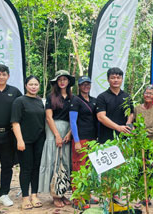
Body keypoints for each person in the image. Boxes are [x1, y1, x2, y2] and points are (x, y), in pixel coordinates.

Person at [0, 64, 22, 210]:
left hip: (9, 134)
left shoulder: (14, 92)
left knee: (7, 165)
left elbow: (22, 110)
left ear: (8, 76)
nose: (1, 76)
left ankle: (4, 194)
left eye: (4, 74)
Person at [96, 67, 133, 204]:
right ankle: (106, 195)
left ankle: (116, 195)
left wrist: (128, 124)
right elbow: (101, 117)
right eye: (113, 77)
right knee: (107, 168)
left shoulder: (127, 96)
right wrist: (118, 127)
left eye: (118, 77)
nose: (115, 80)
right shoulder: (102, 97)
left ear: (122, 79)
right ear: (108, 79)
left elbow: (131, 113)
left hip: (123, 139)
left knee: (119, 167)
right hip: (107, 138)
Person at [38, 70, 74, 208]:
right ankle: (55, 195)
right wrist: (57, 135)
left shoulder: (72, 98)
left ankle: (62, 192)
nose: (63, 81)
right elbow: (48, 117)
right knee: (53, 159)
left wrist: (70, 133)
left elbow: (75, 117)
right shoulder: (51, 97)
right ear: (56, 82)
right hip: (54, 129)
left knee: (64, 161)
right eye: (60, 79)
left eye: (65, 79)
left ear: (68, 81)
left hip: (68, 130)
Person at [128, 85, 153, 212]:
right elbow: (133, 123)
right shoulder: (137, 108)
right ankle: (144, 198)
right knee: (141, 170)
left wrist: (142, 132)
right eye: (146, 93)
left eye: (151, 94)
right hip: (140, 144)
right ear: (143, 95)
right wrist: (135, 131)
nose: (148, 95)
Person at [11, 75, 45, 210]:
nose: (33, 87)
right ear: (26, 85)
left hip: (39, 140)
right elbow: (15, 122)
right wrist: (20, 140)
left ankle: (34, 195)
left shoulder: (39, 101)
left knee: (36, 168)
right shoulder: (19, 101)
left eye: (36, 84)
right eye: (31, 84)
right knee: (26, 169)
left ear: (39, 86)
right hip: (25, 141)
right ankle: (25, 197)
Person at [69, 76, 98, 210]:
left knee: (88, 168)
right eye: (83, 84)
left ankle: (86, 195)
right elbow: (73, 122)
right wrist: (76, 141)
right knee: (78, 168)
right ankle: (77, 199)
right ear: (79, 86)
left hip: (92, 139)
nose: (86, 86)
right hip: (81, 138)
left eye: (88, 84)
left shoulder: (93, 101)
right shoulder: (75, 100)